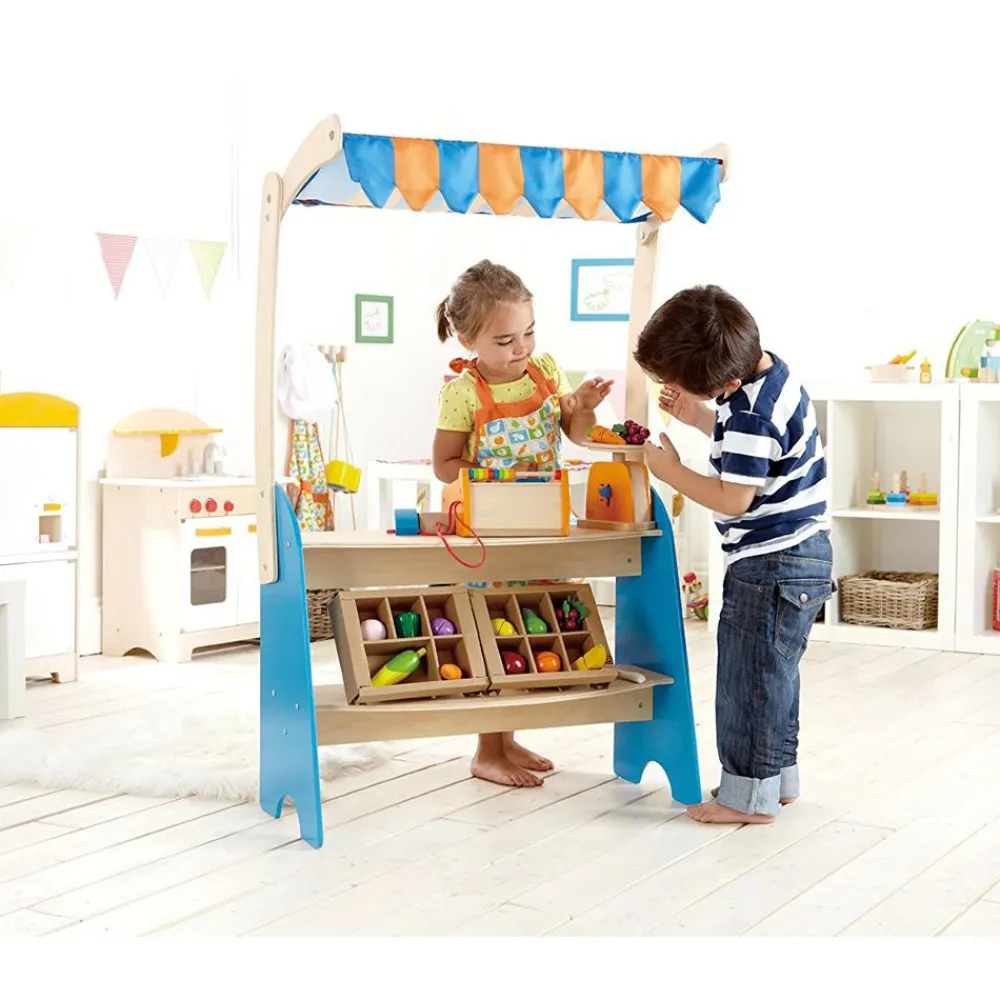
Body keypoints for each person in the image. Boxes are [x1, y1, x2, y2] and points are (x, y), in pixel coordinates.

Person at [634, 284, 831, 825]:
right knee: (775, 678)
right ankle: (776, 781)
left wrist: (671, 471)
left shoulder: (748, 415)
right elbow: (752, 445)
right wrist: (700, 415)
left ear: (726, 383)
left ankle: (746, 798)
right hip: (804, 555)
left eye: (679, 383)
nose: (672, 389)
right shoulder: (771, 379)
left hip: (769, 564)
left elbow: (733, 498)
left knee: (747, 684)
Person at [433, 259, 612, 788]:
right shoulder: (462, 392)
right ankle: (487, 751)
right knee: (493, 633)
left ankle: (508, 739)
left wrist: (583, 406)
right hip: (489, 534)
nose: (522, 348)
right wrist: (498, 477)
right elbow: (443, 465)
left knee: (530, 629)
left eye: (529, 333)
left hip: (541, 525)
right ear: (468, 340)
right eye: (506, 340)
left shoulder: (545, 370)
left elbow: (577, 433)